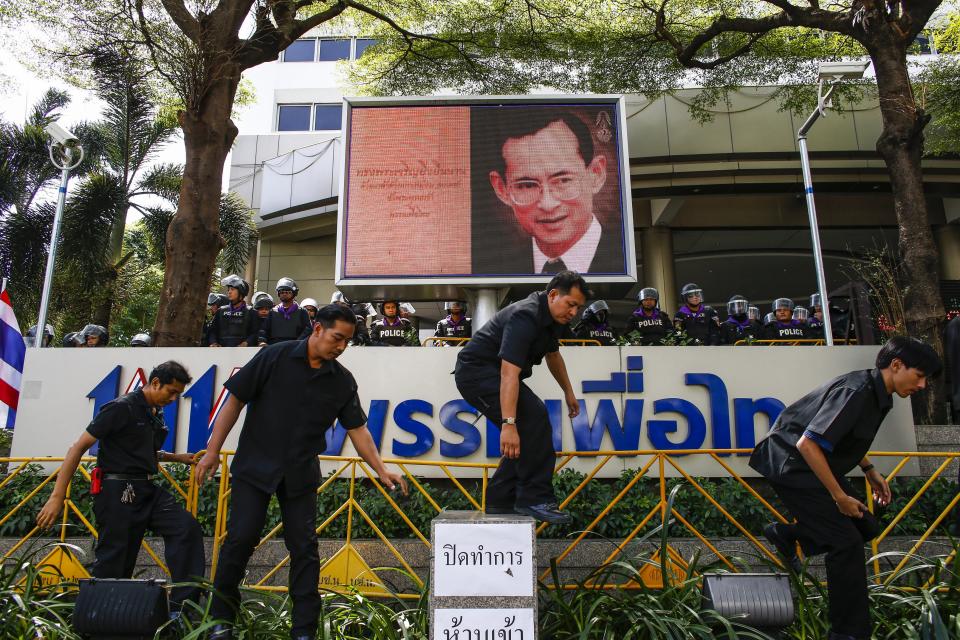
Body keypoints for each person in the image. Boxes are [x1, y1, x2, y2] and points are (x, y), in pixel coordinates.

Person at [195, 304, 408, 640]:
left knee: (304, 547)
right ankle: (221, 619)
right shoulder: (274, 357)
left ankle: (304, 630)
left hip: (300, 472)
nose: (341, 347)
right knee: (240, 539)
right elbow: (234, 399)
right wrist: (211, 451)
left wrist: (381, 470)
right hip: (255, 467)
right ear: (318, 329)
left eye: (347, 342)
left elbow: (358, 429)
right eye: (337, 338)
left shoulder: (341, 381)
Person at [749, 337, 941, 640]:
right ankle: (847, 633)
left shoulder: (879, 394)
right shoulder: (857, 391)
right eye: (919, 376)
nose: (922, 386)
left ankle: (787, 534)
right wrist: (839, 497)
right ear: (896, 365)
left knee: (864, 526)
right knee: (845, 542)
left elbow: (839, 434)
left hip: (811, 463)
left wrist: (869, 470)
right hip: (791, 462)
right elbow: (808, 443)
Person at [36, 361, 204, 614]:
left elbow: (139, 450)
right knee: (115, 562)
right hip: (117, 491)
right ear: (155, 382)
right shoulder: (120, 408)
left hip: (147, 489)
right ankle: (97, 618)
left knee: (186, 528)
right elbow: (77, 448)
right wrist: (57, 497)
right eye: (171, 391)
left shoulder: (153, 412)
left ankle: (183, 609)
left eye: (178, 394)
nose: (173, 398)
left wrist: (178, 458)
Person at [454, 271, 587, 524]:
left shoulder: (553, 320)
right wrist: (508, 424)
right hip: (476, 373)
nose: (573, 313)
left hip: (492, 374)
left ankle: (500, 499)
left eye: (578, 308)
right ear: (554, 294)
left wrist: (568, 392)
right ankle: (534, 498)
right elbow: (508, 374)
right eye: (571, 305)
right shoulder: (525, 315)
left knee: (531, 428)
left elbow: (553, 355)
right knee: (532, 418)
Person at [475, 111, 625, 275]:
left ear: (596, 174)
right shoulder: (493, 269)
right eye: (527, 185)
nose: (548, 204)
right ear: (501, 188)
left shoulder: (623, 257)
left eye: (563, 180)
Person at [258, 278, 312, 346]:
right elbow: (264, 330)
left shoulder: (302, 312)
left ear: (294, 293)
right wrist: (262, 341)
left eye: (288, 292)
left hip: (295, 347)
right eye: (281, 292)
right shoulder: (272, 312)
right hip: (275, 347)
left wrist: (298, 342)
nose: (284, 294)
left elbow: (308, 330)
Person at [209, 275, 258, 347]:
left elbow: (256, 333)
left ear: (241, 292)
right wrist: (213, 343)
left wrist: (247, 343)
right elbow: (212, 331)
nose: (229, 292)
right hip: (221, 353)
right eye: (228, 290)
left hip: (243, 353)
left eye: (232, 289)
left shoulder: (251, 311)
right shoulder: (221, 311)